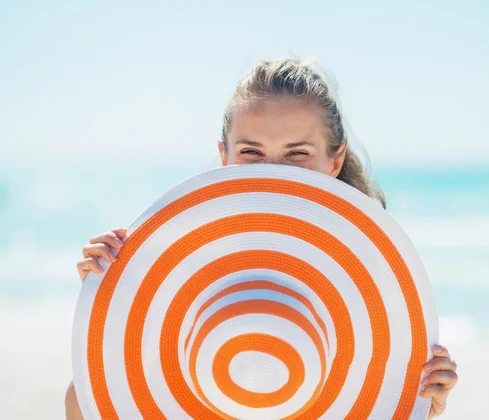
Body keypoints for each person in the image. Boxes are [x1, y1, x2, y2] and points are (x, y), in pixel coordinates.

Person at [65, 58, 458, 419]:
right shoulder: (180, 257)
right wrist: (109, 305)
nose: (274, 173)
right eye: (252, 151)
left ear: (334, 161)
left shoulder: (370, 275)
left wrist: (417, 402)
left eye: (297, 153)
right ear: (225, 156)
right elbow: (83, 407)